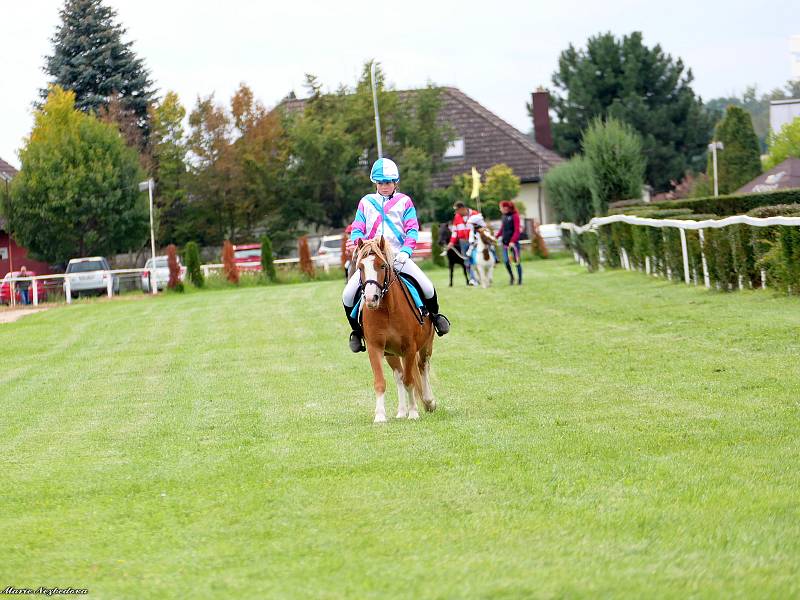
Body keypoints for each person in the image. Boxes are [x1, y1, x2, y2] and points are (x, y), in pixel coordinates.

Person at [342, 158, 450, 353]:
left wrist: (406, 252)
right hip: (373, 259)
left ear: (395, 183)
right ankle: (357, 332)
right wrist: (358, 244)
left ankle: (435, 317)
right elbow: (358, 227)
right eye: (381, 183)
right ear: (375, 183)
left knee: (427, 286)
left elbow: (412, 229)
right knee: (348, 295)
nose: (385, 186)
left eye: (389, 182)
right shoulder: (366, 202)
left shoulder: (404, 201)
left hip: (399, 257)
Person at [447, 202, 486, 284]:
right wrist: (451, 242)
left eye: (457, 210)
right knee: (466, 261)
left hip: (474, 241)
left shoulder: (475, 214)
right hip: (463, 242)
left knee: (476, 259)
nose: (456, 213)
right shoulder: (457, 217)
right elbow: (454, 231)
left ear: (462, 209)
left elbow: (483, 226)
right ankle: (473, 279)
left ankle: (482, 276)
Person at [497, 201, 523, 285]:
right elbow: (502, 229)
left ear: (506, 208)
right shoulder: (504, 216)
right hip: (505, 244)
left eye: (501, 207)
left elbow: (517, 231)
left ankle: (520, 280)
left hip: (514, 244)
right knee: (506, 261)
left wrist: (512, 241)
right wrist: (496, 237)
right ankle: (512, 277)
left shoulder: (515, 216)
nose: (500, 209)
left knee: (516, 262)